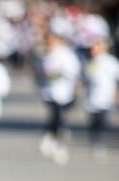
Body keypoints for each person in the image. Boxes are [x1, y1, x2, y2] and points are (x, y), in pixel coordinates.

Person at [38, 31, 80, 165]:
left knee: (58, 118)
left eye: (52, 42)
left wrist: (60, 74)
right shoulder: (46, 56)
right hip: (50, 92)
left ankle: (55, 142)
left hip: (64, 93)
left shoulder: (66, 55)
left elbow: (73, 73)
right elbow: (42, 75)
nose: (49, 45)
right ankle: (54, 141)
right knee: (55, 117)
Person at [83, 37, 119, 162]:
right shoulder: (90, 62)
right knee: (93, 122)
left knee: (104, 121)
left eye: (97, 46)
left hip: (106, 96)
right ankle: (96, 142)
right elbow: (86, 79)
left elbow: (118, 78)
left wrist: (118, 93)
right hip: (92, 97)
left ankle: (99, 141)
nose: (94, 49)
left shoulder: (112, 62)